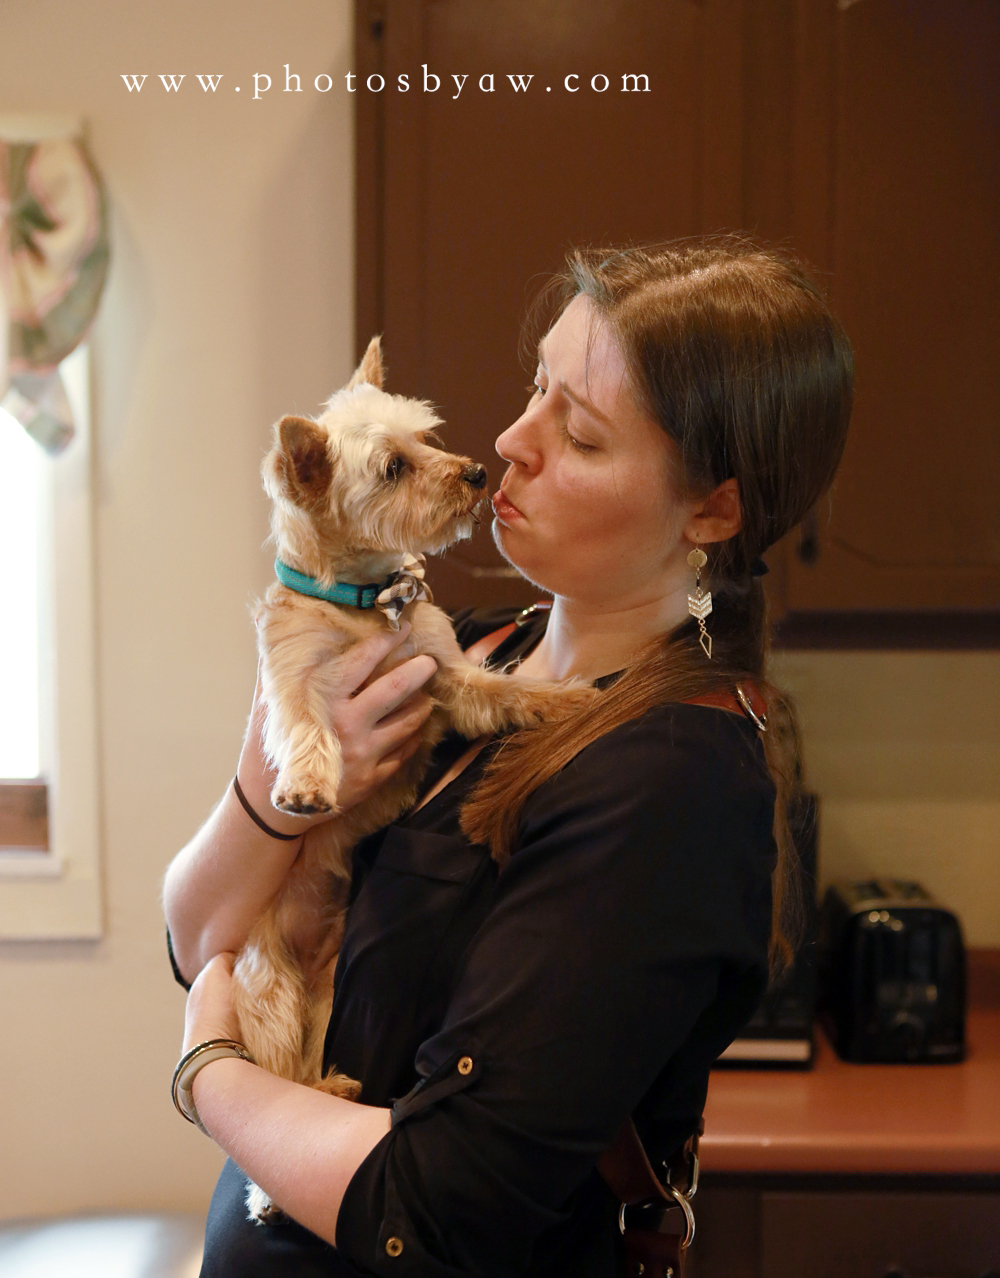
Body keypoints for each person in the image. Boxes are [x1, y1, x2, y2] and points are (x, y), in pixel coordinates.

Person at [162, 240, 853, 1277]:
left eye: (576, 433)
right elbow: (200, 938)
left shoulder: (668, 783)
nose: (508, 442)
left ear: (712, 508)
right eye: (536, 387)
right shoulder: (470, 643)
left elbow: (433, 1208)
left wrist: (210, 1075)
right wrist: (280, 790)